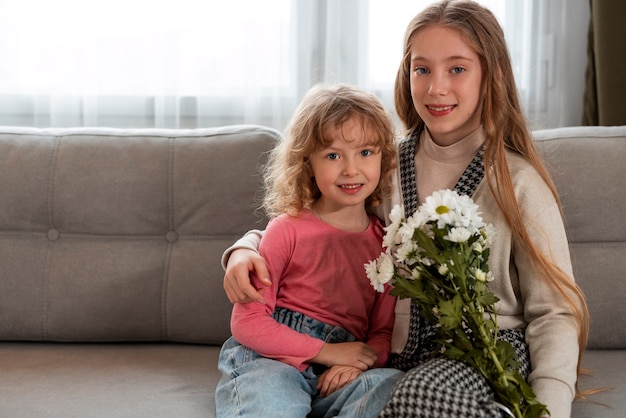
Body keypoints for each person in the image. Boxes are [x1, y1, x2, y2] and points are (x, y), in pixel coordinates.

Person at [221, 1, 590, 417]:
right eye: (422, 69)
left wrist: (550, 408)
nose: (436, 88)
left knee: (414, 396)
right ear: (406, 74)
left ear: (493, 75)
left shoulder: (517, 182)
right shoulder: (383, 164)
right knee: (400, 393)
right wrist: (245, 247)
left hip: (483, 353)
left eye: (457, 68)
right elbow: (321, 217)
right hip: (394, 361)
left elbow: (555, 311)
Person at [215, 83, 403, 418]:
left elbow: (382, 333)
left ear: (383, 158)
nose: (351, 169)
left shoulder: (385, 246)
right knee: (271, 403)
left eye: (365, 153)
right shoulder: (287, 229)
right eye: (333, 155)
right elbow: (247, 323)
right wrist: (328, 351)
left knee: (391, 385)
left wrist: (360, 362)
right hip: (272, 359)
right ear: (308, 163)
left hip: (340, 367)